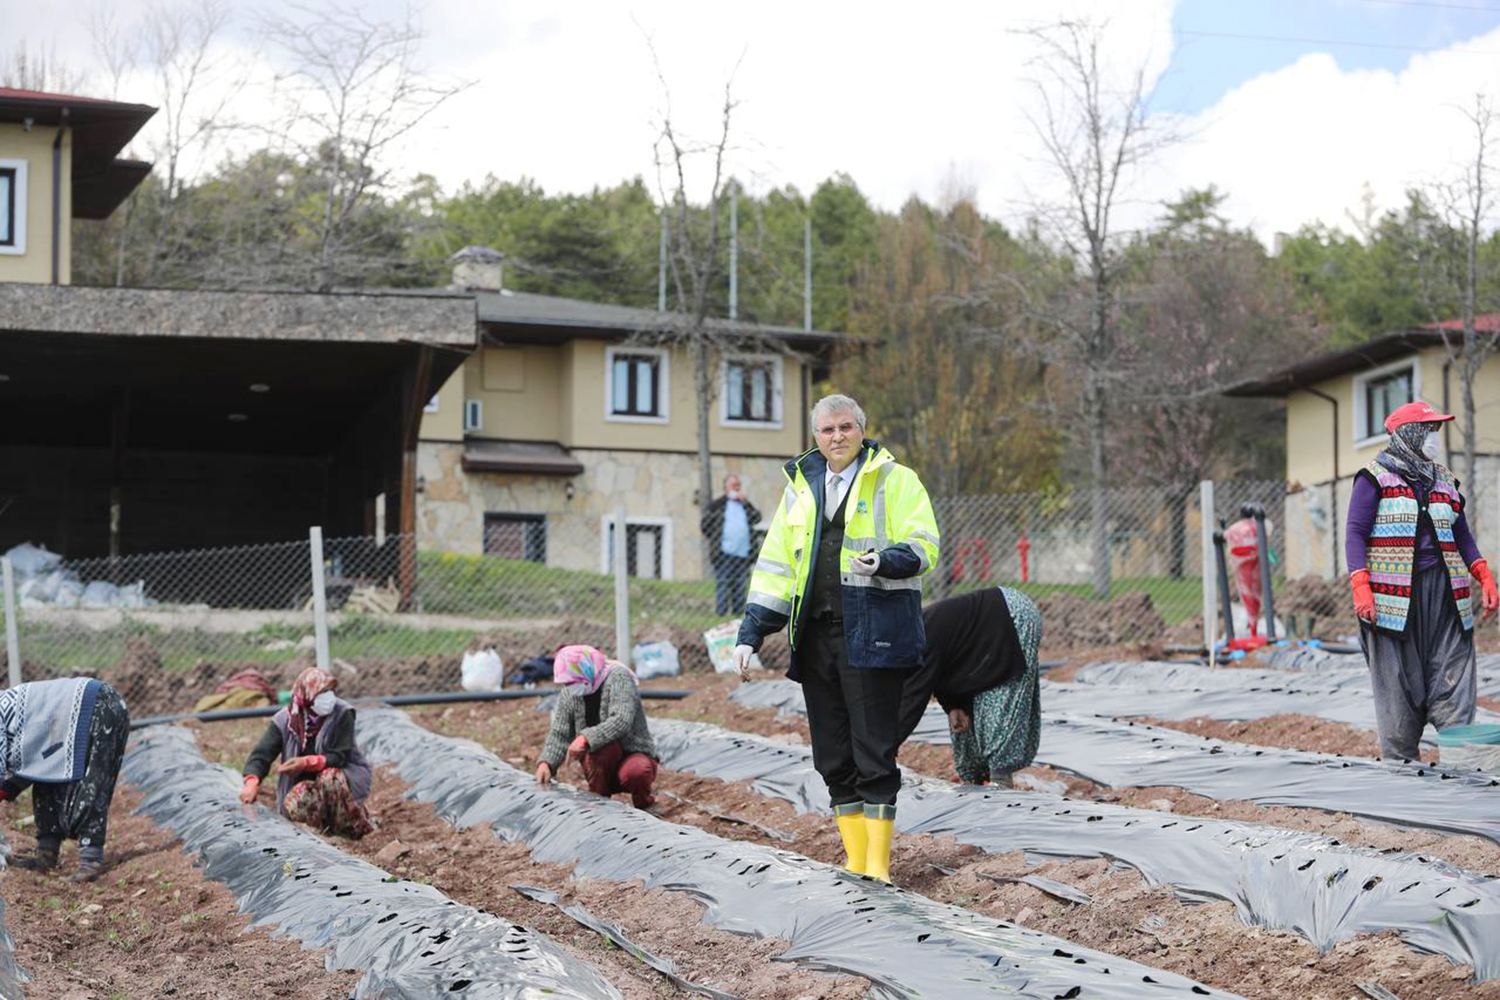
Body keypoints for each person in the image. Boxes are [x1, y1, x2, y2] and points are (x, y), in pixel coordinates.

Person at [730, 393, 939, 883]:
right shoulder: (801, 489)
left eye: (845, 428)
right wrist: (751, 633)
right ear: (816, 437)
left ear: (861, 429)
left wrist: (886, 560)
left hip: (874, 634)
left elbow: (924, 542)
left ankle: (878, 867)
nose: (837, 437)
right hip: (816, 636)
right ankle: (854, 860)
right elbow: (777, 567)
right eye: (827, 431)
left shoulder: (896, 479)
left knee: (873, 749)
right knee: (831, 753)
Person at [1346, 400, 1499, 761]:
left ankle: (1463, 769)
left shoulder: (1444, 480)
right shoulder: (1374, 477)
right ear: (1409, 433)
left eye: (1437, 429)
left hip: (1446, 598)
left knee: (1455, 679)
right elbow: (1355, 532)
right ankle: (1403, 778)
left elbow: (1461, 535)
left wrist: (1483, 574)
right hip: (1393, 603)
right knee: (1398, 691)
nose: (1435, 437)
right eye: (1429, 429)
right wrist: (1360, 585)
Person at [897, 587, 1042, 788]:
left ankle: (1001, 780)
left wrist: (885, 748)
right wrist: (954, 706)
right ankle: (975, 779)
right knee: (961, 720)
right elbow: (944, 667)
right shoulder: (909, 643)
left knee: (996, 698)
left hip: (1009, 615)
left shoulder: (919, 638)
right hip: (978, 641)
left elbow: (913, 699)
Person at [0, 677, 130, 882]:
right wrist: (9, 788)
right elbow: (29, 763)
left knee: (90, 782)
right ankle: (46, 855)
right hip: (68, 716)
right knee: (44, 773)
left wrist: (6, 788)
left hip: (98, 705)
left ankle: (91, 861)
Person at [240, 666, 374, 838]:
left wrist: (305, 763)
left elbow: (340, 756)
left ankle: (350, 829)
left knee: (330, 778)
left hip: (342, 775)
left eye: (330, 690)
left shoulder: (343, 713)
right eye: (322, 692)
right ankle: (320, 833)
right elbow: (262, 754)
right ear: (307, 696)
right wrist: (252, 783)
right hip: (304, 782)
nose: (329, 696)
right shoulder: (285, 720)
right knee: (297, 799)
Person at [535, 644, 659, 809]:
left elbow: (621, 719)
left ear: (587, 670)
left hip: (631, 754)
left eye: (572, 681)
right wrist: (546, 763)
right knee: (599, 751)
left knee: (637, 771)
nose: (569, 686)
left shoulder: (618, 678)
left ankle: (645, 804)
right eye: (566, 683)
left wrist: (585, 737)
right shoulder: (570, 693)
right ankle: (599, 806)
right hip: (600, 762)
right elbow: (560, 733)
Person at [702, 473, 762, 617]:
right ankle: (721, 615)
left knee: (740, 586)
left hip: (743, 554)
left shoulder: (745, 505)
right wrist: (717, 537)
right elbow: (705, 526)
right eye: (733, 485)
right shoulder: (718, 505)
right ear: (726, 487)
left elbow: (757, 518)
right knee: (723, 585)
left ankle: (737, 615)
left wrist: (746, 502)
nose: (736, 487)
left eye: (738, 485)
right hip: (723, 553)